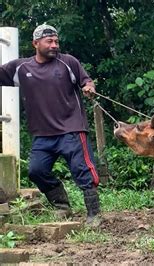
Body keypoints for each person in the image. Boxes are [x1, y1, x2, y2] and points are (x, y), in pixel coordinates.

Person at [0, 23, 101, 226]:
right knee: (36, 170)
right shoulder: (21, 67)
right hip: (42, 134)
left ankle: (94, 214)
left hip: (71, 128)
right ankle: (62, 206)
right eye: (49, 41)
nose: (55, 45)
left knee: (83, 171)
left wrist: (89, 88)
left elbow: (86, 81)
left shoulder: (68, 62)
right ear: (36, 44)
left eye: (56, 41)